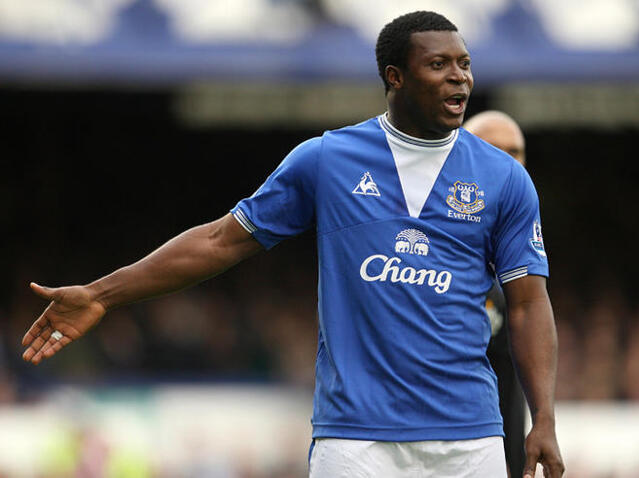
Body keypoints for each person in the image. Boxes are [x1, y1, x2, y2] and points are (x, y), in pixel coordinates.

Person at [22, 11, 563, 478]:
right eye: (439, 64)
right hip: (354, 440)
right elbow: (220, 241)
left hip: (468, 440)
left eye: (464, 63)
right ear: (395, 77)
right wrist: (101, 294)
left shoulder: (504, 179)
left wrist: (543, 419)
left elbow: (528, 303)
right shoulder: (327, 160)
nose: (459, 77)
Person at [464, 110, 529, 478]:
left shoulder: (521, 256)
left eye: (515, 152)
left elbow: (510, 383)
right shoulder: (425, 238)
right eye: (492, 150)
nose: (507, 163)